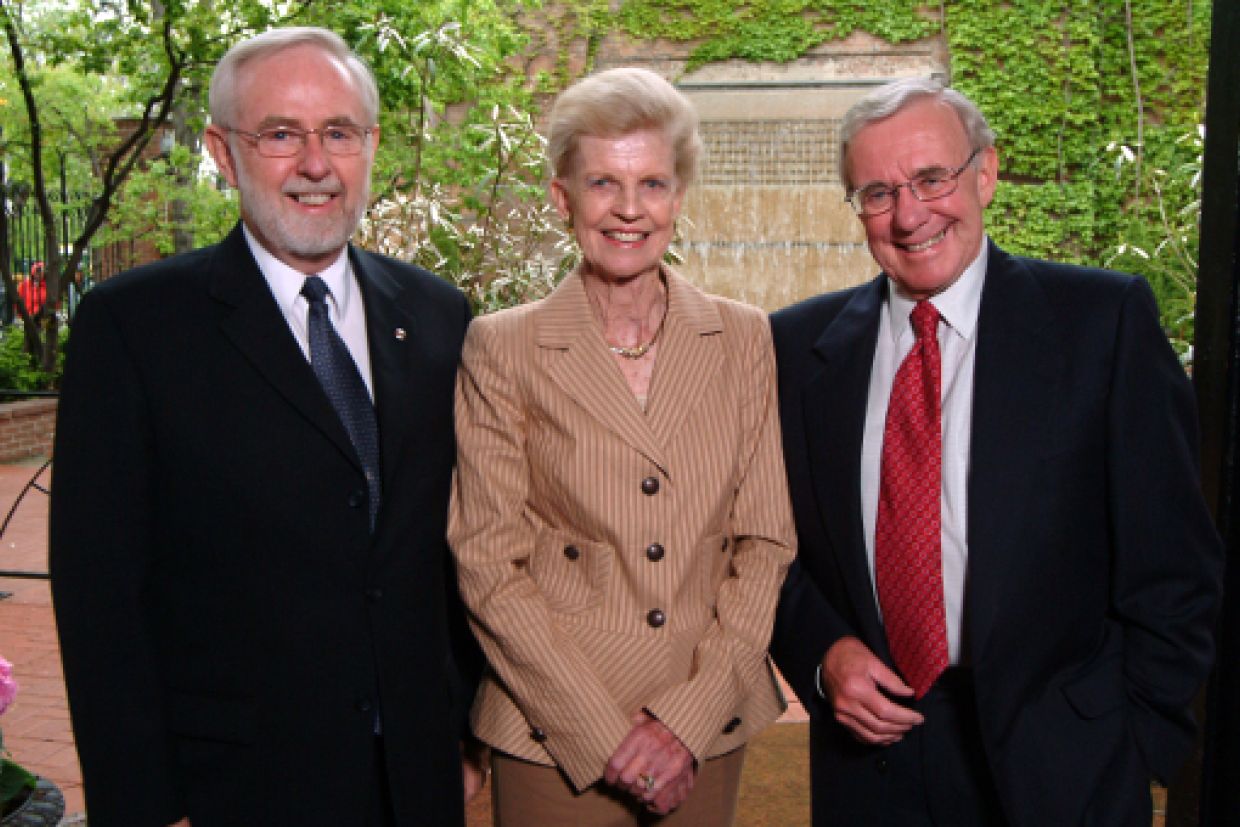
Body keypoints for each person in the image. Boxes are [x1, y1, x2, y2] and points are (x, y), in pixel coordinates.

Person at [50, 27, 482, 827]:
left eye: (339, 133)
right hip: (235, 790)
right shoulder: (135, 329)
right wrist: (146, 805)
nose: (315, 165)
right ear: (223, 150)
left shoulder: (437, 316)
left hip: (416, 784)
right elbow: (101, 596)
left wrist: (461, 734)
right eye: (281, 134)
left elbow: (455, 551)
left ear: (371, 146)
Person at [770, 77, 1224, 826]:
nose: (909, 214)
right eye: (877, 192)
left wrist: (1136, 741)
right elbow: (767, 546)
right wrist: (821, 652)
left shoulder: (1100, 324)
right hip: (870, 768)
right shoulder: (797, 347)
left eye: (931, 179)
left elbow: (1174, 565)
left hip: (1063, 764)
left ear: (985, 173)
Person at [448, 67, 796, 825]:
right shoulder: (503, 346)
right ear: (561, 195)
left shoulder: (743, 336)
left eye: (653, 183)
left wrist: (688, 718)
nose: (630, 209)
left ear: (679, 195)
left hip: (703, 720)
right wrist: (602, 733)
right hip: (553, 730)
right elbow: (485, 561)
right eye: (603, 182)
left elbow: (766, 541)